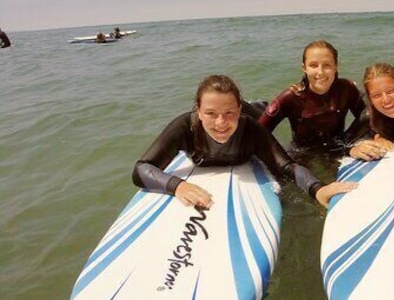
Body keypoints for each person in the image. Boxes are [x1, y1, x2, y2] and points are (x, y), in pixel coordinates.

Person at [132, 74, 355, 209]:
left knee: (260, 112)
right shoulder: (184, 127)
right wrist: (177, 185)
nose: (220, 122)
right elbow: (141, 168)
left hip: (254, 113)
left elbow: (286, 166)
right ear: (198, 111)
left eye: (229, 113)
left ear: (238, 111)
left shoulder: (251, 129)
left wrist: (318, 190)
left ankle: (254, 104)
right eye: (210, 113)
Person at [257, 40, 367, 154]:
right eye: (313, 65)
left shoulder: (346, 89)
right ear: (304, 68)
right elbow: (259, 132)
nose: (320, 72)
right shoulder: (291, 97)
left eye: (327, 65)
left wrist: (353, 145)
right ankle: (256, 108)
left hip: (339, 147)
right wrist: (280, 159)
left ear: (336, 66)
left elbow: (367, 118)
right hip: (303, 153)